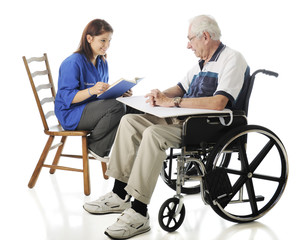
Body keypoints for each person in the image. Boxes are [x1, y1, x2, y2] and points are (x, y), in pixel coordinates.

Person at [83, 15, 250, 239]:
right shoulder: (203, 62)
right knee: (130, 121)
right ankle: (119, 193)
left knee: (153, 134)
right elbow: (181, 88)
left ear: (206, 36)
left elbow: (219, 102)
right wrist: (161, 94)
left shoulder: (232, 59)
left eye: (190, 39)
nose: (188, 45)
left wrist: (174, 102)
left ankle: (139, 213)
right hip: (184, 119)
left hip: (208, 126)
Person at [55, 19, 129, 162]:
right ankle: (96, 146)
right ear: (89, 38)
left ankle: (122, 154)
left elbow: (101, 96)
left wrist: (119, 92)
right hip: (70, 113)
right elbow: (66, 97)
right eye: (103, 40)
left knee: (130, 107)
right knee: (117, 107)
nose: (107, 45)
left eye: (109, 41)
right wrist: (92, 90)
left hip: (90, 109)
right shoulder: (72, 62)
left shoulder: (102, 62)